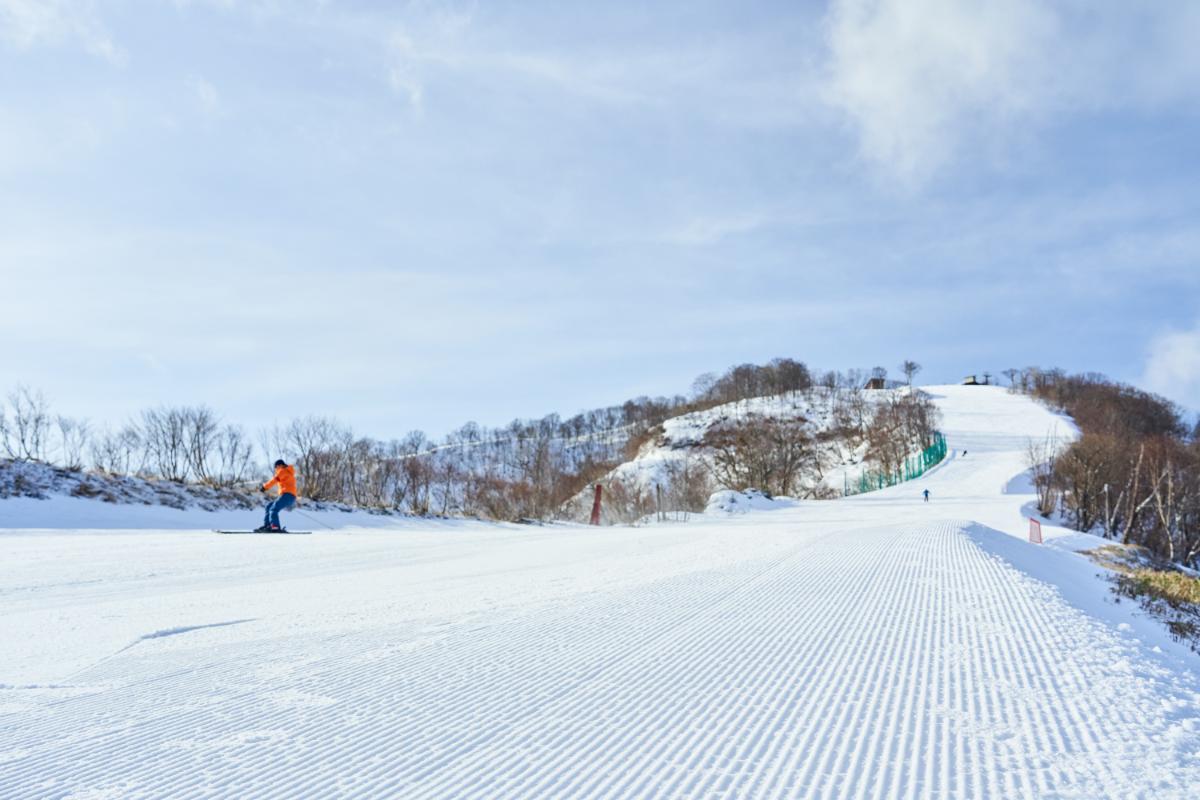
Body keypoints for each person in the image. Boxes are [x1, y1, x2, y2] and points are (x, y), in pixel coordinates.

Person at [256, 459, 297, 532]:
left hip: (288, 495)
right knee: (269, 506)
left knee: (273, 509)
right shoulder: (287, 472)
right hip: (287, 496)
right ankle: (268, 525)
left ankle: (275, 526)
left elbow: (274, 480)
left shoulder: (283, 471)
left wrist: (264, 487)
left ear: (281, 465)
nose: (276, 469)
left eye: (276, 467)